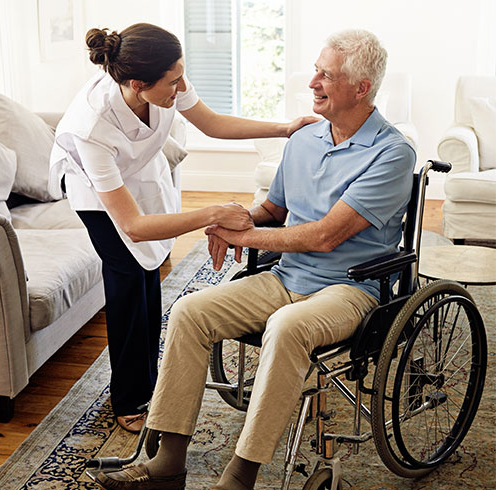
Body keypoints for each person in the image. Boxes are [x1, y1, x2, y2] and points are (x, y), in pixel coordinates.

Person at [95, 29, 416, 490]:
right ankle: (168, 463)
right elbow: (273, 212)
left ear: (361, 88)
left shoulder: (392, 153)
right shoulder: (305, 140)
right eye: (316, 70)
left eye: (326, 75)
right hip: (287, 278)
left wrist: (251, 235)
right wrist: (228, 219)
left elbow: (326, 236)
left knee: (288, 325)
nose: (313, 83)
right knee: (190, 310)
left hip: (349, 288)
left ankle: (240, 476)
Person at [48, 23, 316, 434]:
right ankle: (129, 397)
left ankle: (150, 379)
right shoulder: (91, 128)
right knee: (126, 286)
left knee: (149, 278)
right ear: (139, 84)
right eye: (173, 82)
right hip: (96, 193)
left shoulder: (163, 78)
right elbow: (134, 226)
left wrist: (283, 128)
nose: (181, 87)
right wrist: (212, 214)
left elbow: (211, 124)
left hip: (137, 173)